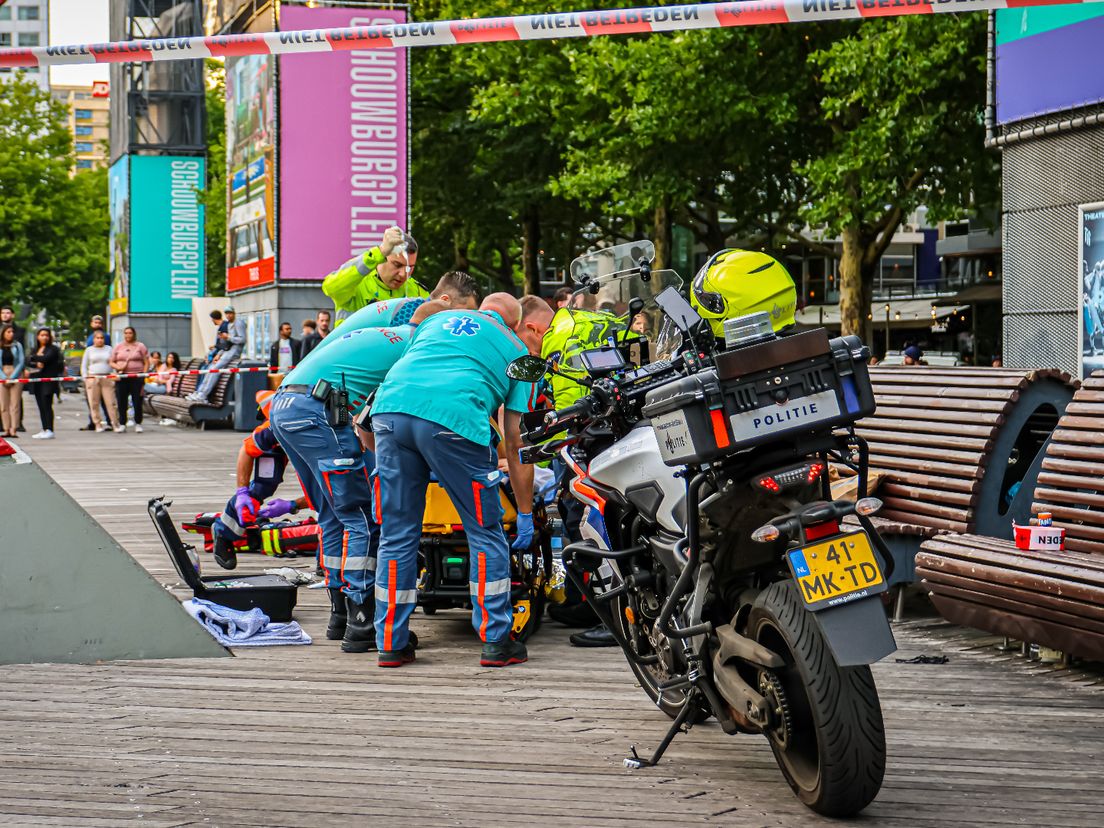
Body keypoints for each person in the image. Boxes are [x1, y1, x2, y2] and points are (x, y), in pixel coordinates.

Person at [370, 293, 552, 669]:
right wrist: (523, 510)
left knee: (398, 533)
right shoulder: (520, 352)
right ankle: (497, 641)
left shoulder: (437, 321)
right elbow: (515, 440)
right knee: (485, 533)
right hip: (455, 421)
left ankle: (390, 642)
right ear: (517, 325)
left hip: (389, 413)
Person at [269, 301, 449, 654]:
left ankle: (339, 616)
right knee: (363, 518)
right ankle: (362, 622)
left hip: (286, 407)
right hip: (319, 411)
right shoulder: (415, 345)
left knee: (333, 516)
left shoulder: (380, 336)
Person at [210, 390, 308, 567]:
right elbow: (247, 451)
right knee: (263, 485)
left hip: (318, 445)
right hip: (283, 432)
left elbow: (329, 491)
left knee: (329, 496)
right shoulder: (274, 427)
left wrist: (294, 505)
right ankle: (225, 532)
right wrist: (242, 493)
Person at [308, 271, 480, 356]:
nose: (466, 320)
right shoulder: (408, 314)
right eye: (465, 313)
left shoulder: (415, 308)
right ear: (444, 300)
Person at [322, 226, 427, 324]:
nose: (403, 274)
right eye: (397, 265)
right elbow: (330, 287)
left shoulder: (418, 291)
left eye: (410, 267)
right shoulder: (357, 285)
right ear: (382, 257)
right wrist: (378, 253)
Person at [189, 307, 245, 403]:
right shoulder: (229, 324)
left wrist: (228, 337)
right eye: (226, 313)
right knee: (211, 368)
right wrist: (219, 354)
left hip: (234, 351)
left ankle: (203, 395)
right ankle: (200, 392)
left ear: (234, 313)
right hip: (227, 350)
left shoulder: (238, 323)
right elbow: (226, 345)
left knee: (215, 369)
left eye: (230, 313)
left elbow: (242, 339)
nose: (228, 315)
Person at [80, 330, 122, 433]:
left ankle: (115, 423)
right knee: (94, 403)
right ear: (93, 339)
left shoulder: (109, 349)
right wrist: (85, 378)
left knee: (111, 402)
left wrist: (115, 374)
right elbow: (84, 366)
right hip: (93, 378)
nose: (99, 340)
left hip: (107, 378)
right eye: (97, 338)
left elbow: (113, 363)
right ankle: (97, 424)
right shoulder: (89, 350)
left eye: (101, 338)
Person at [110, 327, 149, 433]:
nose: (128, 335)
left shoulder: (140, 346)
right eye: (126, 333)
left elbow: (146, 362)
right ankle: (122, 423)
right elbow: (112, 361)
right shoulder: (118, 347)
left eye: (130, 333)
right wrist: (119, 367)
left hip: (137, 377)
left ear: (134, 334)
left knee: (137, 401)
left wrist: (143, 376)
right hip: (122, 377)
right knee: (121, 401)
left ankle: (138, 423)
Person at [25, 328, 63, 440]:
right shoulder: (35, 349)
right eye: (42, 335)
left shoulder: (53, 349)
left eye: (46, 335)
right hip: (37, 380)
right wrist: (36, 363)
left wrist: (34, 358)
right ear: (37, 337)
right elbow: (27, 361)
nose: (44, 337)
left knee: (47, 405)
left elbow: (47, 358)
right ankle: (44, 428)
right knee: (40, 405)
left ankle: (50, 429)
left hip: (48, 381)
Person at [1, 325, 24, 438]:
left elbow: (21, 361)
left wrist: (12, 377)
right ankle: (6, 429)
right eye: (8, 332)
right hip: (2, 373)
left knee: (15, 404)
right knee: (3, 404)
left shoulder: (17, 345)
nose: (11, 334)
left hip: (15, 372)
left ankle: (14, 428)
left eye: (12, 332)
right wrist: (4, 377)